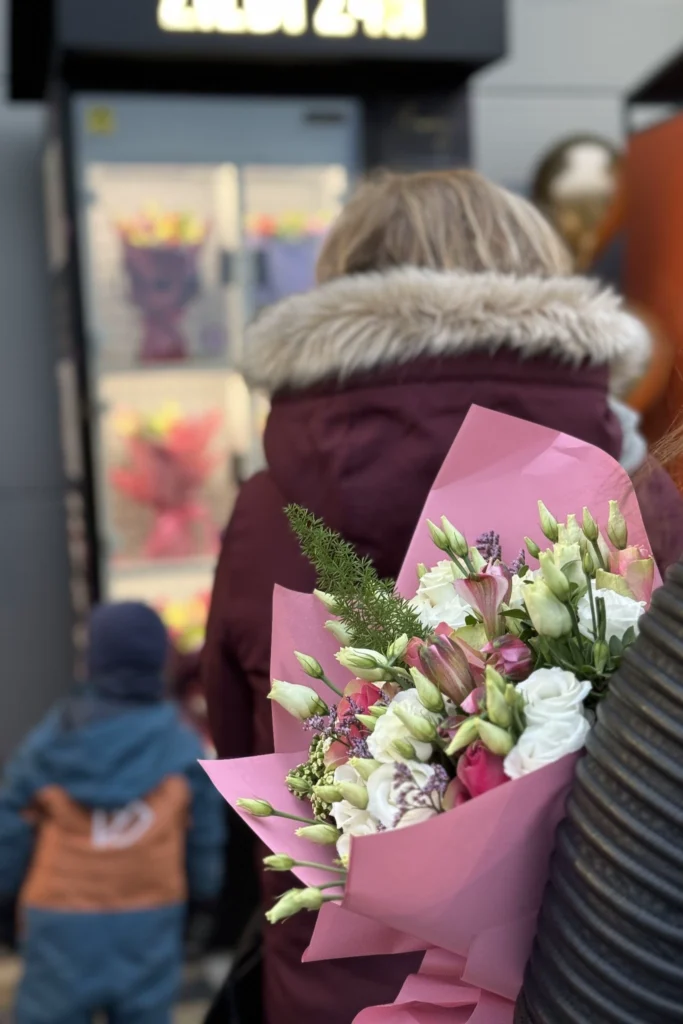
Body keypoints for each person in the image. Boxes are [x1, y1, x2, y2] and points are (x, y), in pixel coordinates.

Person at [202, 168, 683, 1024]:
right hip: (584, 989)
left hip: (327, 997)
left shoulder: (262, 515)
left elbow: (246, 757)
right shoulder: (634, 508)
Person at [0, 601, 226, 1024]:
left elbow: (9, 827)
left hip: (59, 916)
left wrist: (5, 898)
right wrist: (203, 900)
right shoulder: (180, 742)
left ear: (93, 661)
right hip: (152, 913)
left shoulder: (52, 740)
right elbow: (205, 835)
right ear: (160, 661)